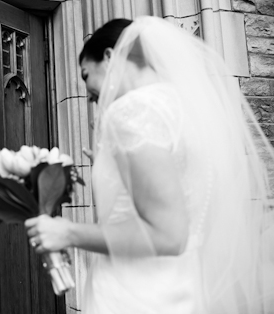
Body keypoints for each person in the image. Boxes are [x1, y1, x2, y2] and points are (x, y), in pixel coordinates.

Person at [25, 16, 274, 313]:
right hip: (183, 286)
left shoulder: (131, 111)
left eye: (85, 74)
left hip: (136, 294)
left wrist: (67, 232)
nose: (89, 92)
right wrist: (113, 170)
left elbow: (167, 235)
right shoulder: (187, 111)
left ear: (108, 57)